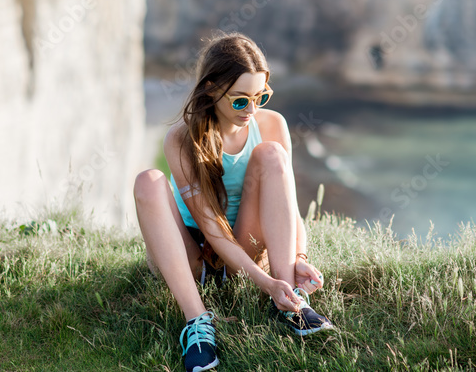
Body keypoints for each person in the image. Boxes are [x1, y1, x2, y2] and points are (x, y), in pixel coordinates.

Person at [133, 31, 334, 372]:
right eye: (241, 100)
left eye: (261, 97)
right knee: (148, 181)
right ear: (211, 89)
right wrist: (262, 280)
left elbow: (290, 208)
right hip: (190, 254)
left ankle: (289, 303)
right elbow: (211, 227)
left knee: (271, 154)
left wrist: (297, 259)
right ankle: (197, 323)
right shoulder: (181, 140)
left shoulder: (270, 125)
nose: (252, 110)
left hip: (245, 241)